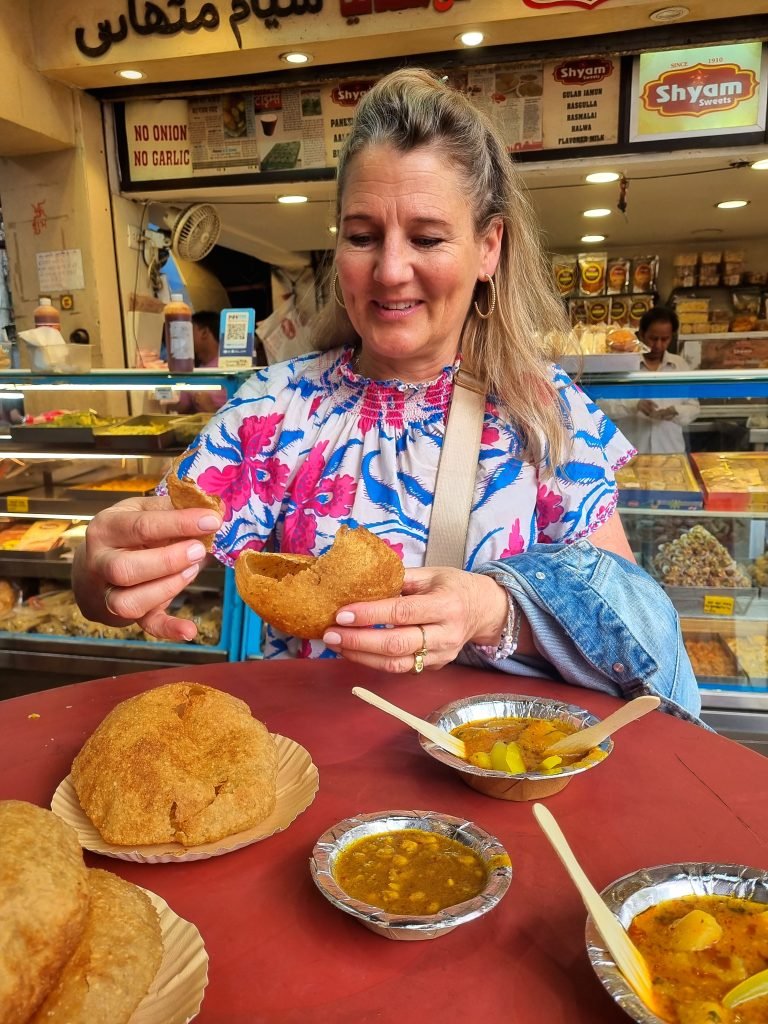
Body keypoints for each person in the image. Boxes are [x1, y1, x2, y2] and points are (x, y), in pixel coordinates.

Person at [72, 70, 700, 720]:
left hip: (495, 772)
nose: (391, 270)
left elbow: (627, 621)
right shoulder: (274, 410)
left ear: (489, 247)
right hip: (313, 771)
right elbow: (140, 552)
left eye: (427, 238)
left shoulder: (546, 411)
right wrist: (100, 573)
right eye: (363, 236)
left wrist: (494, 608)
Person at [599, 307, 699, 454]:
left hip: (671, 454)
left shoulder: (680, 366)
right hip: (630, 455)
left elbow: (694, 408)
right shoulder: (622, 366)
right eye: (653, 338)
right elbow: (602, 407)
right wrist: (634, 405)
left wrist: (675, 411)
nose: (658, 345)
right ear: (642, 335)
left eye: (665, 339)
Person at [165, 310, 228, 415]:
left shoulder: (227, 367)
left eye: (188, 331)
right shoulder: (194, 371)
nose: (184, 338)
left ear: (204, 333)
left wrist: (211, 408)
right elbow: (179, 407)